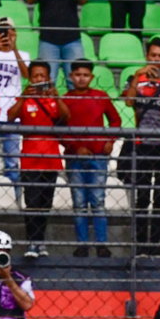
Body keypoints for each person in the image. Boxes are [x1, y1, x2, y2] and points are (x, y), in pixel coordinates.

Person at [121, 38, 160, 257]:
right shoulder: (136, 78)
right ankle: (141, 244)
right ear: (147, 57)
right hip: (141, 143)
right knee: (142, 195)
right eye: (153, 56)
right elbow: (128, 102)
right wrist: (137, 76)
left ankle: (155, 243)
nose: (156, 60)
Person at [61, 59, 120, 256]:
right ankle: (82, 244)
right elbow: (59, 129)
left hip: (99, 156)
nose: (81, 78)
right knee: (78, 201)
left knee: (97, 200)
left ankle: (101, 244)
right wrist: (74, 147)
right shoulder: (66, 100)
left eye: (85, 75)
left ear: (91, 77)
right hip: (74, 157)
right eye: (77, 75)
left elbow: (116, 120)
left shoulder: (101, 97)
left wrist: (110, 140)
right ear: (71, 76)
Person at [12, 61, 69, 259]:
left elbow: (65, 116)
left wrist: (56, 96)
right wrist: (23, 97)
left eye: (42, 76)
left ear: (48, 78)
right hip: (30, 158)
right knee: (32, 201)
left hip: (51, 158)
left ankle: (40, 241)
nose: (39, 80)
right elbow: (10, 115)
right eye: (35, 76)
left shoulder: (52, 99)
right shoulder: (26, 100)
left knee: (46, 202)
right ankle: (31, 241)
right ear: (29, 78)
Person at [0, 18, 31, 197]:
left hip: (13, 115)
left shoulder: (23, 55)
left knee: (12, 162)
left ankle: (17, 198)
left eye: (8, 30)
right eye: (0, 31)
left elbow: (27, 76)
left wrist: (15, 47)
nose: (5, 35)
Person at [27, 0, 89, 91]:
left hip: (72, 38)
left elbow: (83, 0)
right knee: (46, 83)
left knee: (76, 82)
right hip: (48, 39)